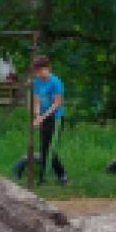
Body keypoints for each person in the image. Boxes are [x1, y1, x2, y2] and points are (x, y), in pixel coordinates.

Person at [31, 54, 68, 185]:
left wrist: (42, 117)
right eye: (37, 71)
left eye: (42, 70)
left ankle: (61, 175)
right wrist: (36, 116)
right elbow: (36, 101)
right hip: (43, 118)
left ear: (48, 68)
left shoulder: (56, 82)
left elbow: (57, 103)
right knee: (43, 148)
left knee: (50, 149)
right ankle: (43, 177)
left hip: (55, 118)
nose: (40, 73)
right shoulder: (36, 82)